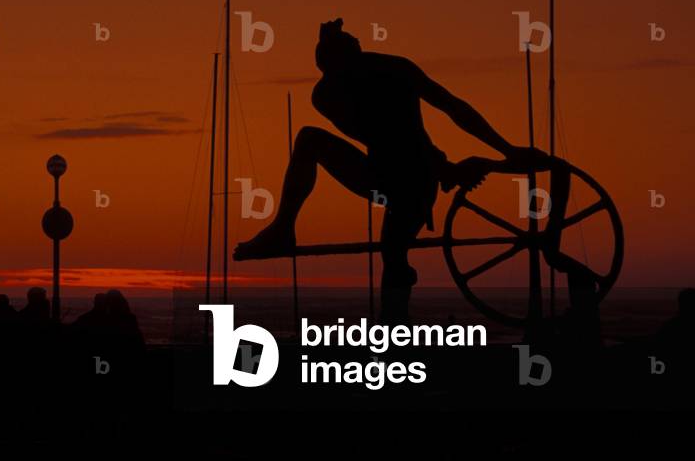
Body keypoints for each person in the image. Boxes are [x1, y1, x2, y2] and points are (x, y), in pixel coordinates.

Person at [234, 18, 547, 322]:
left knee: (394, 251)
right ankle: (283, 228)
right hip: (386, 177)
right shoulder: (336, 92)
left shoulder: (378, 75)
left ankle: (394, 325)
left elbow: (451, 108)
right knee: (310, 141)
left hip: (412, 181)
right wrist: (454, 164)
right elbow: (393, 128)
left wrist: (506, 151)